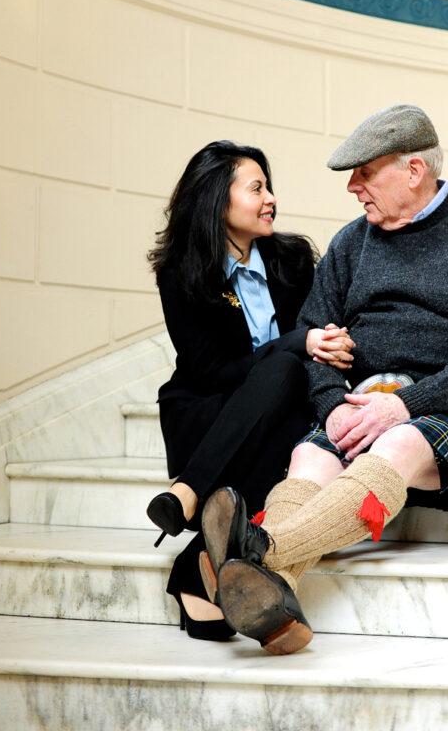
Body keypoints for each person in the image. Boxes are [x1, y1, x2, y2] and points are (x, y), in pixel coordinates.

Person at [201, 104, 448, 655]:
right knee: (309, 459)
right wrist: (332, 405)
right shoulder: (351, 243)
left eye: (364, 172)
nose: (353, 187)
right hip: (360, 400)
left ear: (413, 171)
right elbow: (316, 336)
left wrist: (405, 405)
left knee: (398, 444)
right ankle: (276, 612)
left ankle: (256, 556)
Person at [146, 140, 354, 641]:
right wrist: (295, 344)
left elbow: (320, 333)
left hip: (273, 420)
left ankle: (193, 532)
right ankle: (205, 532)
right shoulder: (180, 273)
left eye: (269, 188)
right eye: (256, 188)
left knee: (288, 382)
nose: (271, 199)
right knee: (284, 365)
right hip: (207, 416)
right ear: (219, 201)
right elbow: (209, 371)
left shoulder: (293, 260)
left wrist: (332, 344)